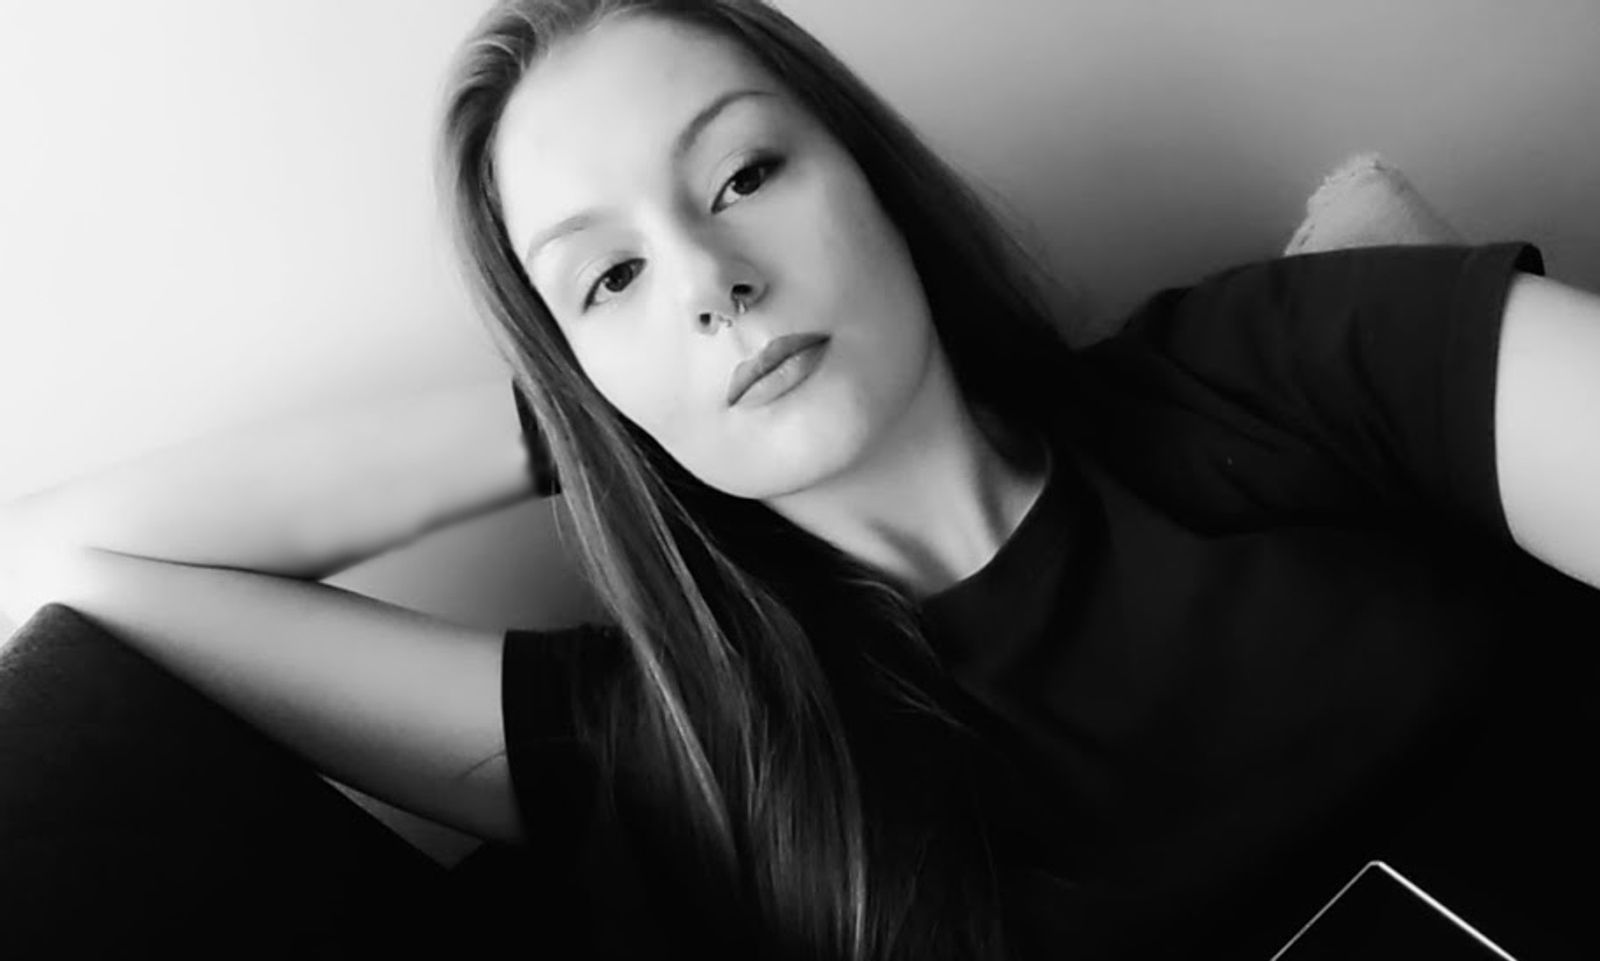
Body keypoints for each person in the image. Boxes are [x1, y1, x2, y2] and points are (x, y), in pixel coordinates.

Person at [2, 0, 1598, 958]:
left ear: (873, 181)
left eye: (745, 173)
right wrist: (591, 415)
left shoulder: (1293, 364)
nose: (712, 280)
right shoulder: (687, 745)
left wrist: (626, 328)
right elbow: (69, 564)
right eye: (610, 278)